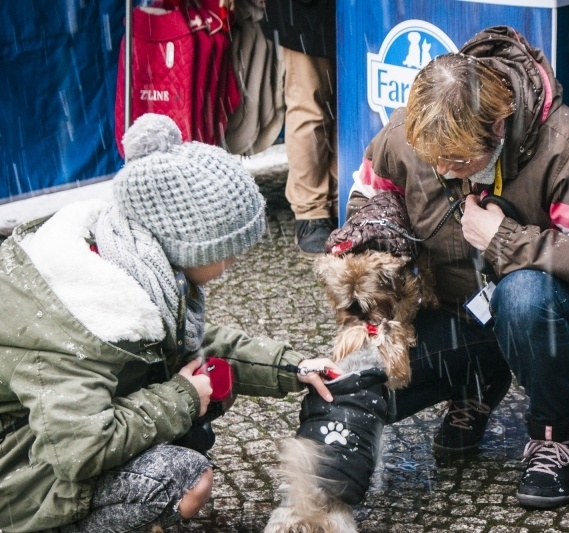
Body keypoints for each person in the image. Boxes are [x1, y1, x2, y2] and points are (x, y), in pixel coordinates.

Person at [341, 26, 569, 508]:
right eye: (432, 161)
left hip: (559, 316)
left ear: (497, 128)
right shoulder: (411, 131)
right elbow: (369, 189)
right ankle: (479, 376)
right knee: (350, 381)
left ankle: (554, 433)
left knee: (520, 295)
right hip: (462, 313)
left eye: (457, 162)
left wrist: (504, 239)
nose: (443, 172)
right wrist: (377, 228)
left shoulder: (566, 144)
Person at [0, 113, 339, 533]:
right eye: (228, 250)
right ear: (187, 246)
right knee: (185, 477)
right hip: (15, 477)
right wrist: (181, 397)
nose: (233, 263)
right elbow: (80, 449)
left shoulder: (130, 261)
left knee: (204, 398)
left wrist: (292, 366)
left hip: (43, 439)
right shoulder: (79, 316)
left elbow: (190, 343)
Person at [261, 0, 338, 257]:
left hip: (357, 10)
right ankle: (312, 213)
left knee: (353, 103)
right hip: (306, 10)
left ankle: (345, 199)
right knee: (310, 104)